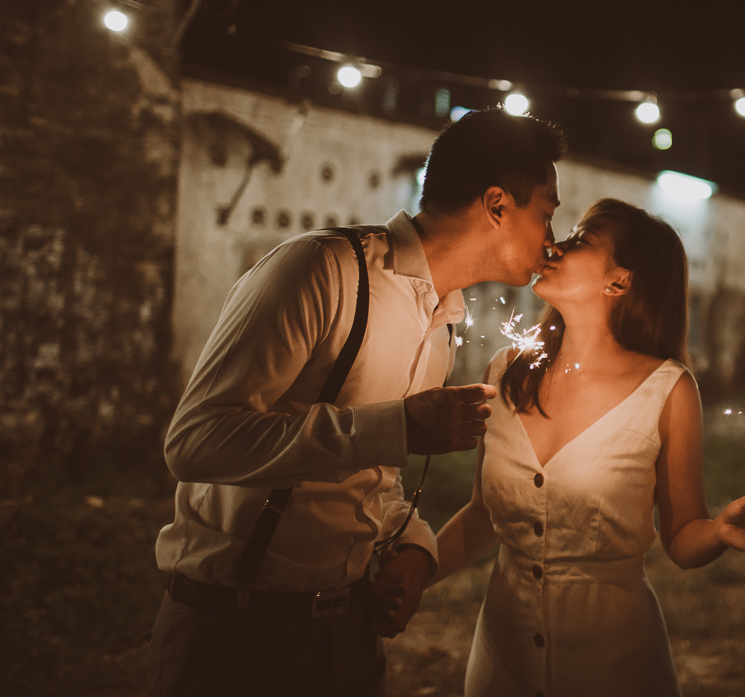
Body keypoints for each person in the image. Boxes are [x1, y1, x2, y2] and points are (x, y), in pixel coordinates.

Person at [147, 108, 566, 697]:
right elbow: (194, 443)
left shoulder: (442, 324)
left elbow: (372, 478)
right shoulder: (323, 270)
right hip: (235, 633)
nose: (552, 237)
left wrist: (414, 546)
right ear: (497, 206)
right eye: (546, 214)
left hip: (347, 634)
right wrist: (396, 426)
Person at [434, 198, 745, 697]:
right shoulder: (506, 371)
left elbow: (682, 536)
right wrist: (408, 575)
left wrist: (719, 532)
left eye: (581, 238)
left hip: (615, 667)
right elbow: (480, 517)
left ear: (619, 280)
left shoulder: (668, 390)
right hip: (501, 663)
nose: (555, 244)